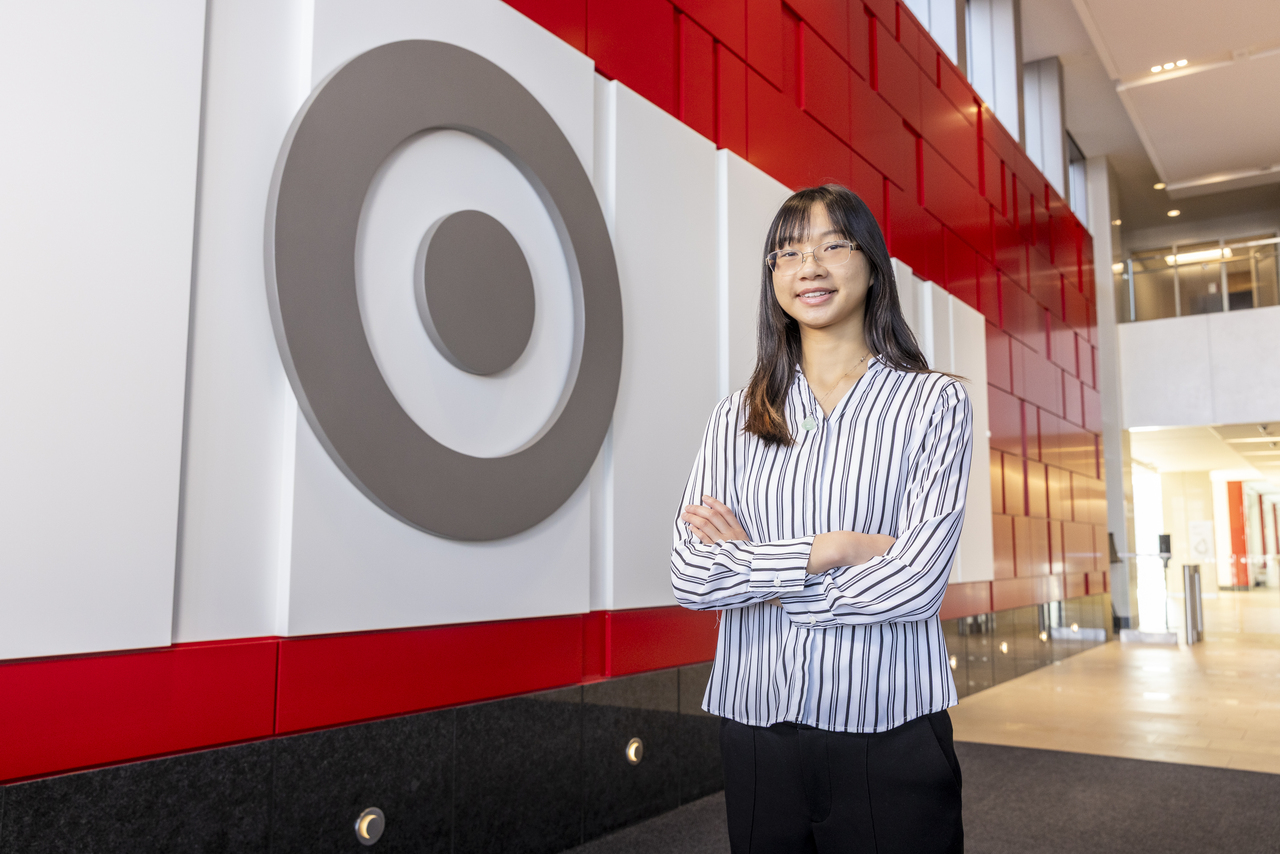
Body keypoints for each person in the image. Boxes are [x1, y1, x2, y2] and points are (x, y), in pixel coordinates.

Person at [670, 184, 971, 853]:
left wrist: (758, 570)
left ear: (870, 263)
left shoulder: (933, 405)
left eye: (833, 244)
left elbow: (916, 581)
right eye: (787, 252)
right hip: (756, 727)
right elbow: (692, 574)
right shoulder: (739, 415)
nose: (808, 265)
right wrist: (830, 550)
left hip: (886, 724)